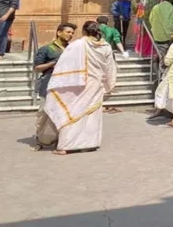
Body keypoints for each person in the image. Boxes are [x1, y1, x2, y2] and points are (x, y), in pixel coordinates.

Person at [44, 20, 118, 155]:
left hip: (78, 83)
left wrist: (57, 83)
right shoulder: (106, 46)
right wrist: (110, 83)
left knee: (73, 111)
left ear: (84, 31)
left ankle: (65, 146)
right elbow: (110, 66)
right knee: (91, 114)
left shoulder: (77, 45)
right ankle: (90, 143)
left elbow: (64, 65)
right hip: (96, 84)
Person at [32, 22, 76, 150]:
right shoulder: (47, 49)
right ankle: (40, 140)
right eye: (68, 32)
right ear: (59, 32)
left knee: (63, 114)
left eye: (72, 33)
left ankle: (60, 140)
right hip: (48, 85)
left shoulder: (72, 50)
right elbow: (36, 68)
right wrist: (52, 64)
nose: (70, 35)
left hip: (66, 86)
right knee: (44, 113)